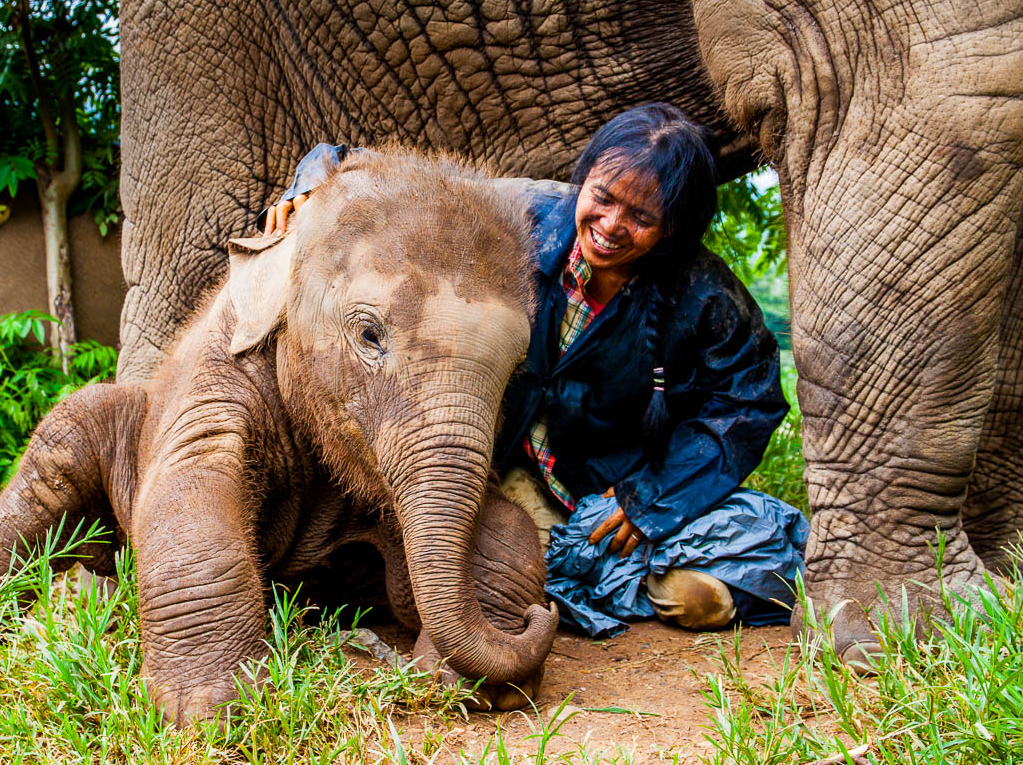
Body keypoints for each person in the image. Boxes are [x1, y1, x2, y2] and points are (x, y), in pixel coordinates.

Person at [260, 103, 808, 637]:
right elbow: (363, 165)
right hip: (498, 464)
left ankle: (671, 577)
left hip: (614, 481)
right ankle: (660, 583)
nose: (611, 226)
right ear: (584, 175)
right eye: (602, 197)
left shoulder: (703, 295)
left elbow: (748, 401)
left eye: (641, 218)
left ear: (673, 229)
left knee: (745, 541)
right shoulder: (515, 214)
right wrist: (310, 187)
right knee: (506, 560)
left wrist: (650, 496)